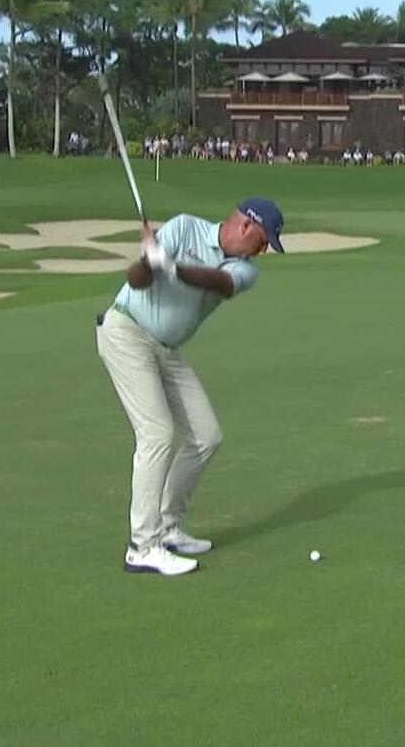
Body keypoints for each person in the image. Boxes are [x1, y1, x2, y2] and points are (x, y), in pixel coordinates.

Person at [95, 198, 286, 577]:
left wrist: (173, 266)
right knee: (157, 434)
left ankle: (167, 527)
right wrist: (149, 260)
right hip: (126, 332)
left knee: (206, 436)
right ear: (247, 227)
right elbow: (136, 281)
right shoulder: (184, 226)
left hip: (166, 349)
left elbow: (218, 282)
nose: (263, 251)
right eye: (264, 241)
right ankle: (142, 545)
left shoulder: (244, 270)